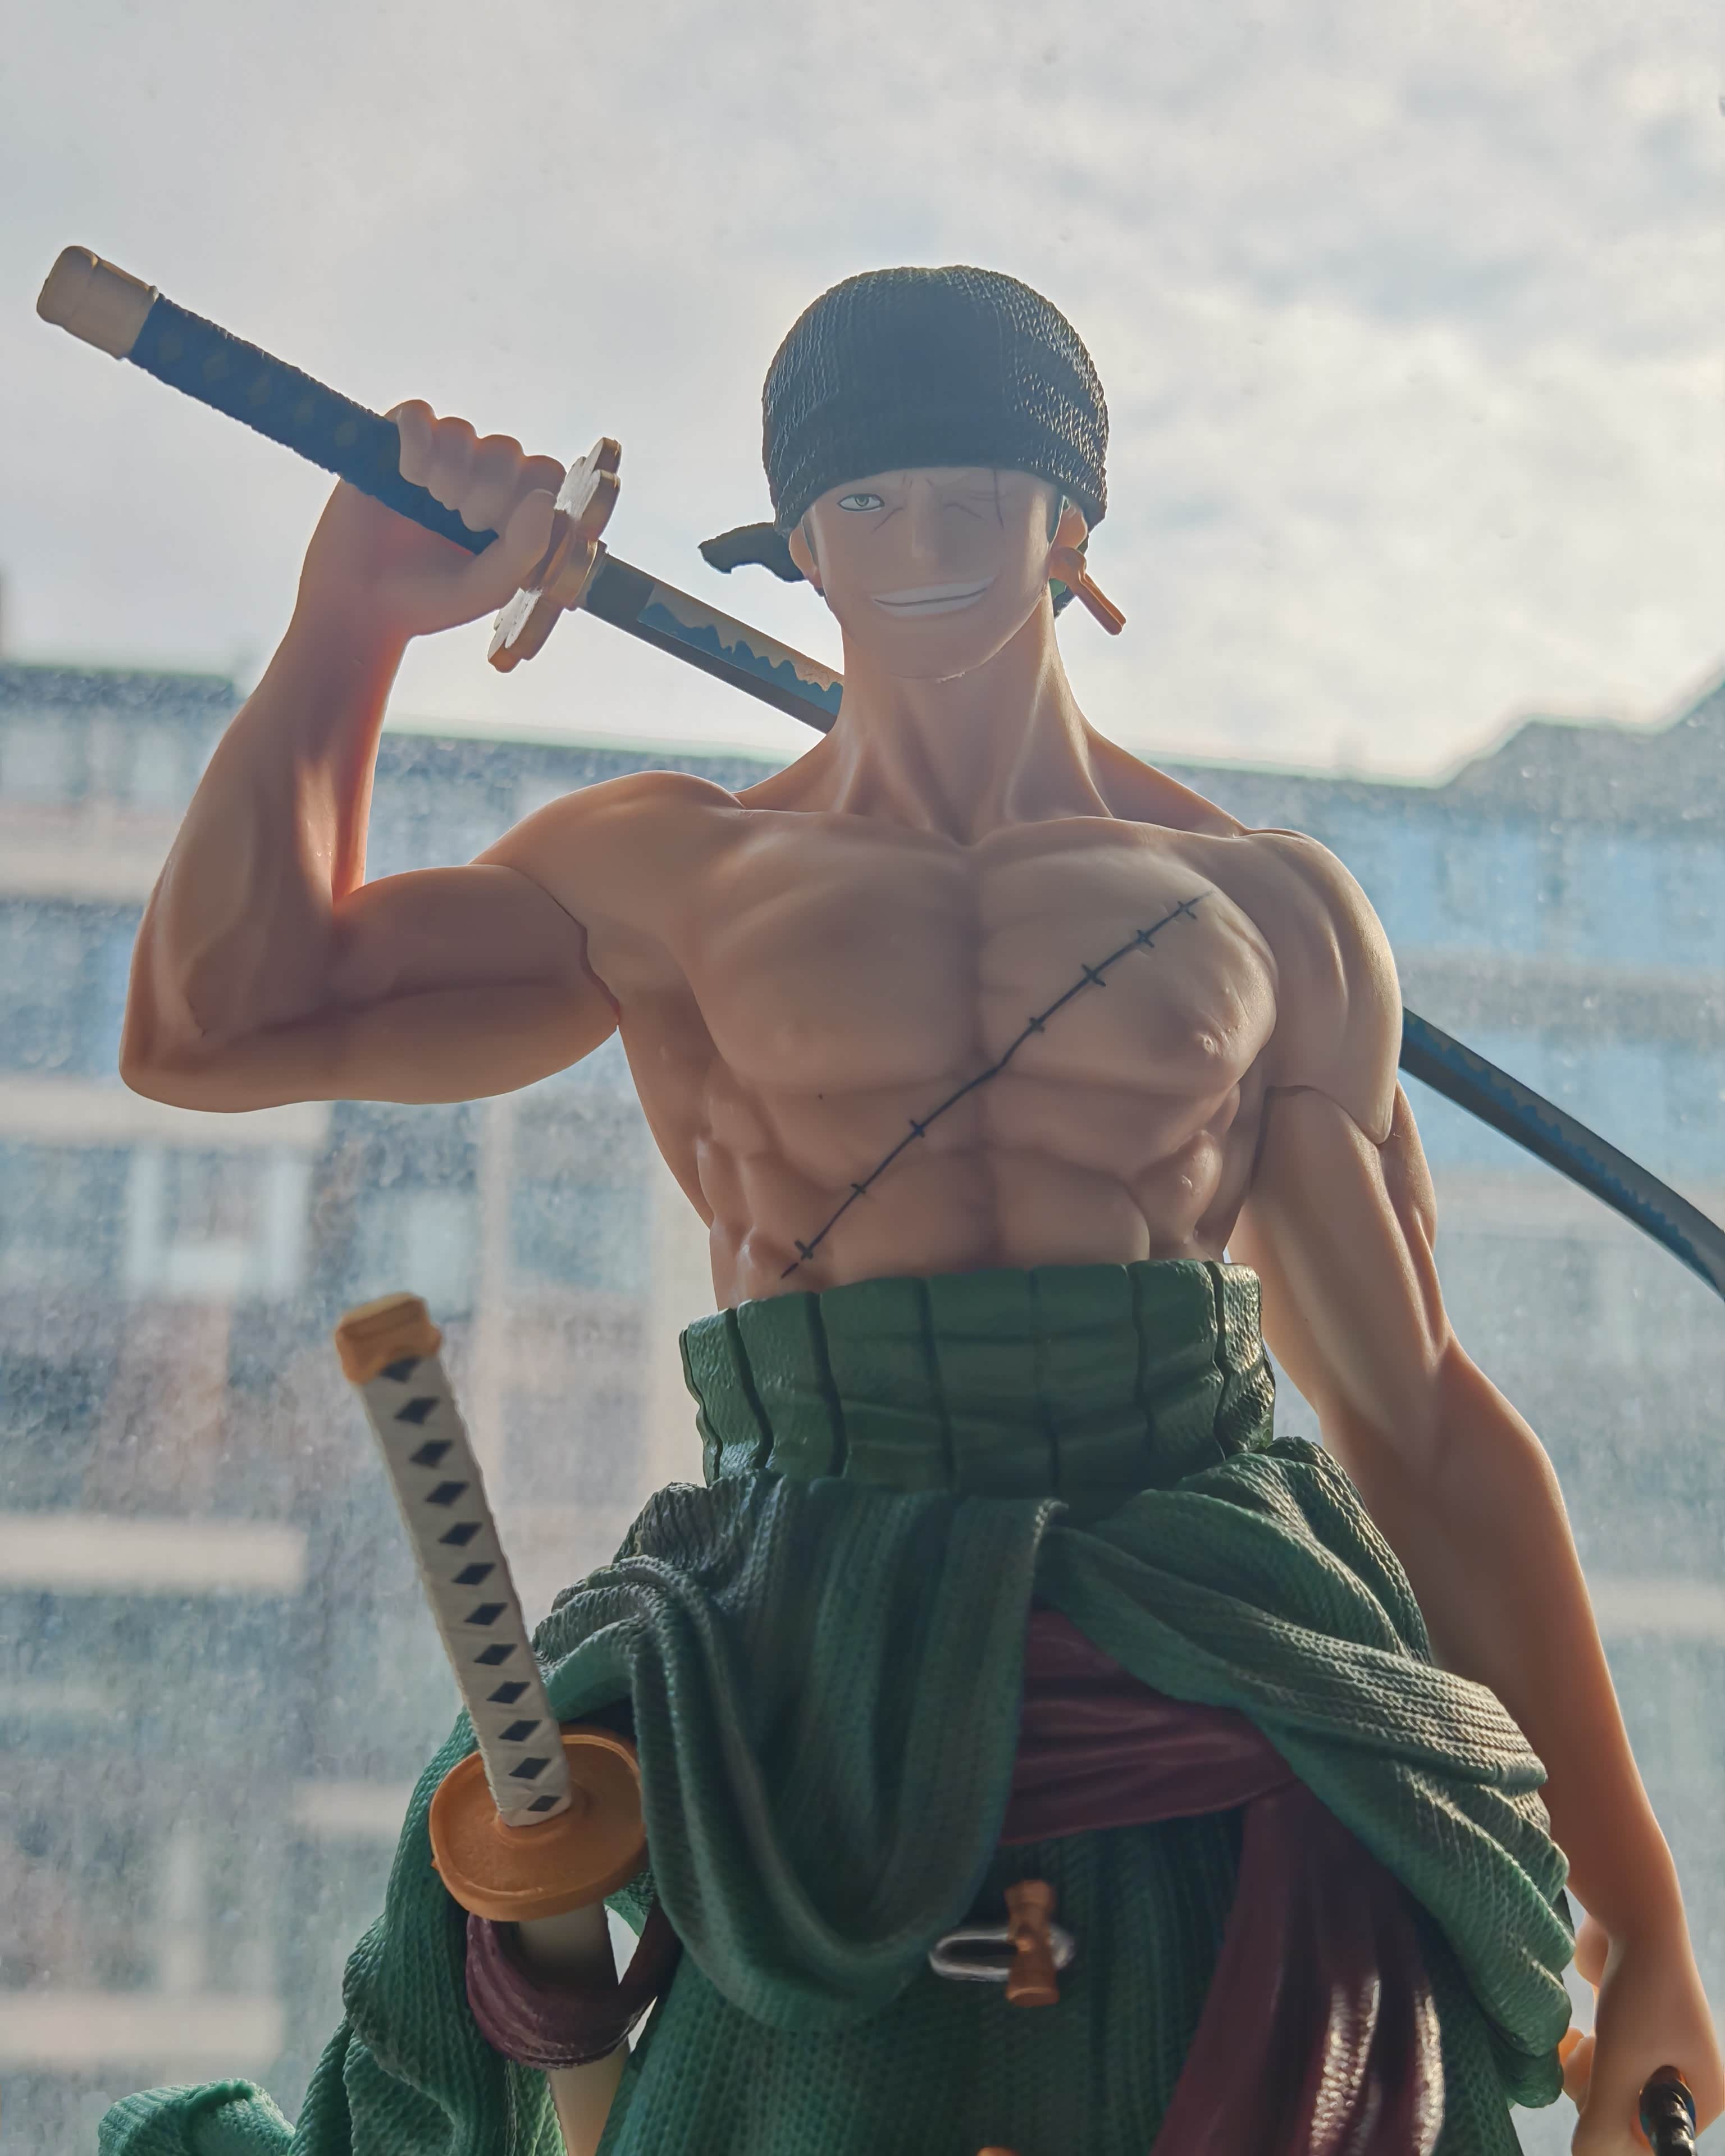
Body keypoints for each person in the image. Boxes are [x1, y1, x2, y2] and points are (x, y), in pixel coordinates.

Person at [109, 267, 1718, 2155]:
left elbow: (1420, 1423)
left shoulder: (1273, 910)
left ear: (1075, 531)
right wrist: (357, 616)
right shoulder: (672, 869)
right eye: (866, 500)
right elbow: (219, 1021)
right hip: (811, 1693)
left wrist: (1645, 1924)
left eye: (978, 492)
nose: (926, 543)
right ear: (796, 542)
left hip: (1230, 1670)